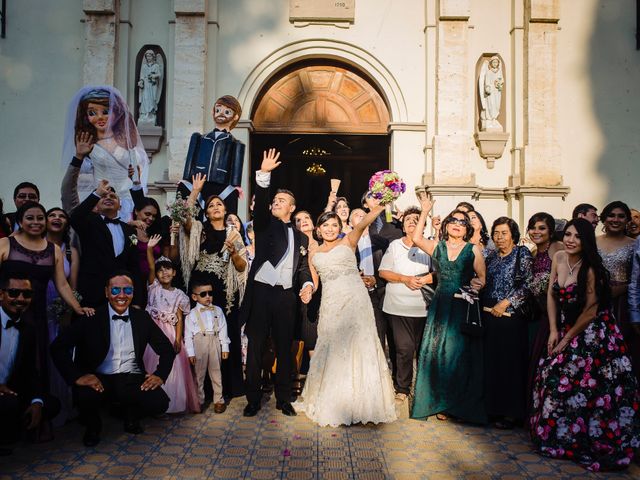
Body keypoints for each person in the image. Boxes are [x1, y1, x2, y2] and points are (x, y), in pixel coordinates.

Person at [530, 219, 640, 471]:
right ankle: (559, 438)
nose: (570, 240)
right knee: (553, 377)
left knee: (589, 387)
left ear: (586, 241)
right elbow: (551, 294)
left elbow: (591, 311)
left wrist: (566, 339)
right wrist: (554, 330)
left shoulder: (591, 268)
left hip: (594, 333)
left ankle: (585, 439)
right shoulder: (559, 257)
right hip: (566, 326)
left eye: (577, 237)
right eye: (567, 234)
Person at [294, 203, 397, 427]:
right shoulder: (314, 251)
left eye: (334, 225)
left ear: (340, 227)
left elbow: (364, 222)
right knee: (331, 346)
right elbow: (315, 279)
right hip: (331, 303)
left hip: (356, 301)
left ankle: (362, 402)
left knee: (360, 345)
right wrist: (308, 288)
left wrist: (379, 206)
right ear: (318, 230)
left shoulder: (349, 240)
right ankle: (334, 400)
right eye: (325, 225)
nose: (330, 229)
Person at [50, 271, 175, 447]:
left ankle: (130, 416)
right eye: (115, 290)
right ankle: (93, 426)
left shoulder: (142, 317)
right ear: (106, 293)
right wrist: (77, 376)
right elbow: (58, 347)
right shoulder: (91, 318)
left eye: (127, 290)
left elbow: (167, 349)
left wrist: (160, 375)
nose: (122, 296)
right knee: (86, 396)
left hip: (131, 377)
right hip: (100, 377)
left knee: (159, 403)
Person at [240, 149, 314, 418]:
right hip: (260, 294)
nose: (276, 203)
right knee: (257, 349)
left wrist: (307, 285)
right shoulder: (263, 224)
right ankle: (252, 399)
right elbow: (260, 204)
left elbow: (303, 268)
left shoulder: (302, 238)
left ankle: (284, 399)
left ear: (292, 208)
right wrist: (264, 175)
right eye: (275, 199)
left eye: (282, 200)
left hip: (286, 298)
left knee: (285, 349)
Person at [0, 202, 92, 388]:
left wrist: (77, 307)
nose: (36, 222)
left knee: (34, 360)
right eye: (30, 218)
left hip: (37, 315)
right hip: (6, 313)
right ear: (20, 221)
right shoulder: (5, 244)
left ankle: (35, 405)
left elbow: (62, 285)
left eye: (40, 218)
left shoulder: (54, 250)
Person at [411, 205, 487, 424]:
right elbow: (417, 238)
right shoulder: (438, 246)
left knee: (458, 355)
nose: (457, 225)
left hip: (462, 306)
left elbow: (482, 278)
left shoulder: (473, 250)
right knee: (437, 353)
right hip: (441, 305)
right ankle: (438, 402)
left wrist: (476, 285)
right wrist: (425, 211)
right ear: (446, 225)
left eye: (462, 223)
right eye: (453, 221)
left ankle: (456, 405)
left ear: (467, 230)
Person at [181, 174, 248, 401]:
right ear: (207, 212)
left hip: (225, 291)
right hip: (202, 289)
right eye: (211, 205)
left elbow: (240, 267)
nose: (216, 207)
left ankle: (225, 387)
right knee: (200, 334)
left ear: (226, 209)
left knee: (222, 335)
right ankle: (203, 390)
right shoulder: (200, 229)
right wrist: (195, 192)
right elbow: (185, 220)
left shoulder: (234, 234)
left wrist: (234, 253)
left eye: (219, 204)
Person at [62, 86, 150, 221]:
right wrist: (80, 156)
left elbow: (139, 168)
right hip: (102, 199)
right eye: (92, 113)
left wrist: (136, 177)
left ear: (116, 113)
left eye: (105, 111)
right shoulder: (89, 144)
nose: (100, 117)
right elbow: (79, 177)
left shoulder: (126, 141)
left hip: (128, 199)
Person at [0, 272, 61, 456]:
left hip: (12, 390)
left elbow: (30, 371)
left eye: (26, 294)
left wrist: (37, 401)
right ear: (1, 294)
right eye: (13, 293)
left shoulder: (28, 327)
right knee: (9, 405)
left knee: (50, 404)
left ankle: (11, 432)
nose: (20, 299)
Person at [378, 206, 433, 403]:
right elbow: (383, 272)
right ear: (402, 225)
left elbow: (443, 271)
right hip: (398, 307)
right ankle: (402, 387)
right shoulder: (394, 246)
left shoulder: (430, 246)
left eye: (417, 219)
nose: (412, 221)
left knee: (424, 351)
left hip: (424, 308)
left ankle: (424, 390)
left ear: (423, 225)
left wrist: (427, 279)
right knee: (404, 349)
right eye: (408, 219)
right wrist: (404, 278)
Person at [482, 217, 533, 429]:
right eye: (496, 233)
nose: (499, 237)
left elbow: (529, 283)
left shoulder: (522, 254)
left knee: (511, 365)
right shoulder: (491, 257)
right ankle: (494, 409)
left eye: (504, 233)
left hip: (512, 315)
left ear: (513, 234)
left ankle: (512, 413)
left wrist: (507, 302)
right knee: (494, 364)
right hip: (490, 313)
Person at [143, 236, 199, 414]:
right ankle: (151, 400)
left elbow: (180, 318)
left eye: (168, 269)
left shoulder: (180, 295)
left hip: (170, 332)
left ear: (174, 272)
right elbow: (151, 266)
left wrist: (177, 338)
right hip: (152, 331)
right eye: (161, 271)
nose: (164, 273)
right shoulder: (154, 288)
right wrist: (149, 249)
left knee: (174, 367)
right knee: (152, 363)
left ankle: (173, 402)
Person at [70, 180, 143, 308]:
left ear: (120, 205)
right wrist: (97, 193)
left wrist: (137, 300)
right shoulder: (89, 222)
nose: (108, 198)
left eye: (113, 196)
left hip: (121, 296)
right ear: (96, 204)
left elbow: (134, 266)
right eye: (104, 196)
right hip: (92, 294)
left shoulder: (130, 231)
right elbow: (75, 217)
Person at [525, 212, 564, 415]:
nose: (536, 232)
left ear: (551, 232)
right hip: (540, 313)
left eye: (542, 228)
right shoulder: (532, 253)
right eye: (533, 227)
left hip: (558, 314)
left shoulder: (557, 249)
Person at [179, 95, 245, 215]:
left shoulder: (236, 143)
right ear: (212, 111)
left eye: (227, 112)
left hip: (221, 184)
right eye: (218, 109)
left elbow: (236, 166)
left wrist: (236, 186)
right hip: (197, 180)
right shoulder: (199, 138)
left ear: (235, 117)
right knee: (188, 212)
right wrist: (185, 179)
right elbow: (190, 159)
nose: (221, 114)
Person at [45, 207, 80, 425]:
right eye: (52, 215)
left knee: (58, 354)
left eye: (62, 216)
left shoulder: (71, 252)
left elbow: (72, 286)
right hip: (37, 307)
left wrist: (69, 311)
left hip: (60, 309)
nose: (57, 219)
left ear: (67, 223)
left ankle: (61, 406)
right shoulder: (35, 246)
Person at [596, 201, 638, 380]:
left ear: (627, 220)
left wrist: (621, 288)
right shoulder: (593, 241)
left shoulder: (634, 244)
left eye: (621, 216)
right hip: (596, 300)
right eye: (611, 215)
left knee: (622, 347)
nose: (616, 219)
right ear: (604, 219)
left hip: (622, 303)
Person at [184, 279, 230, 413]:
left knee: (216, 372)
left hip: (215, 340)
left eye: (210, 293)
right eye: (203, 294)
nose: (208, 296)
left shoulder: (218, 310)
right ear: (194, 297)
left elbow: (223, 329)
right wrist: (190, 352)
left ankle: (218, 400)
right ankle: (199, 400)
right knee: (199, 374)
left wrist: (225, 347)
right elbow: (188, 335)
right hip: (199, 343)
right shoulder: (191, 314)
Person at [294, 210, 320, 357]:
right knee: (309, 337)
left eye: (306, 217)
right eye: (298, 220)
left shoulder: (324, 243)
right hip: (303, 294)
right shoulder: (295, 247)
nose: (303, 221)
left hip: (324, 293)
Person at [137, 49, 163, 126]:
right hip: (145, 85)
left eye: (149, 56)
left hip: (153, 85)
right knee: (145, 99)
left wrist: (153, 76)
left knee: (152, 99)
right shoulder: (144, 66)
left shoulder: (156, 66)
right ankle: (144, 114)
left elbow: (159, 75)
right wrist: (141, 82)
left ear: (153, 57)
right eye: (147, 56)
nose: (148, 57)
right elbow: (142, 75)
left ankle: (151, 114)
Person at [479, 56, 504, 131]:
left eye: (496, 62)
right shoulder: (489, 72)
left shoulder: (499, 71)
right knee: (491, 104)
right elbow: (486, 81)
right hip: (491, 92)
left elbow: (502, 80)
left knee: (497, 105)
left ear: (498, 63)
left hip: (497, 91)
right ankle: (490, 119)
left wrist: (500, 82)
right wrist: (488, 88)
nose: (495, 63)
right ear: (491, 63)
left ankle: (494, 118)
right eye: (493, 62)